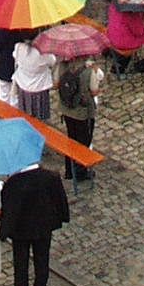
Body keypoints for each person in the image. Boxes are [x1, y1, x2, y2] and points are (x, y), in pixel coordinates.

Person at [0, 161, 70, 286]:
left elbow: (8, 208)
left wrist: (4, 230)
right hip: (44, 226)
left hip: (21, 230)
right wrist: (62, 217)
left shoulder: (15, 182)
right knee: (42, 259)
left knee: (21, 261)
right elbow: (60, 199)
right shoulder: (51, 177)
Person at [56, 54, 103, 187]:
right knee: (83, 141)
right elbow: (94, 91)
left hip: (66, 109)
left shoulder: (63, 65)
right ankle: (81, 171)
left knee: (71, 138)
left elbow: (56, 84)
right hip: (82, 112)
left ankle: (69, 170)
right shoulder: (88, 71)